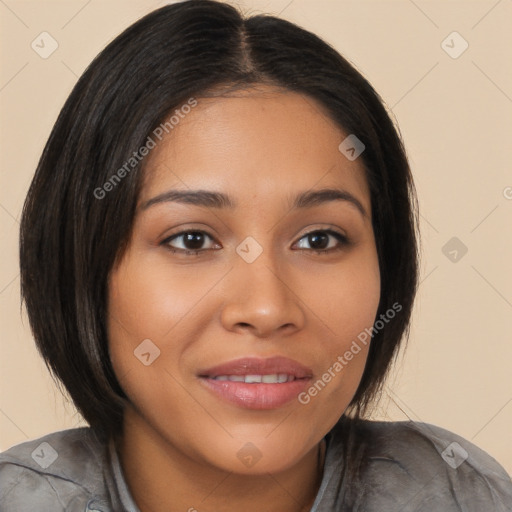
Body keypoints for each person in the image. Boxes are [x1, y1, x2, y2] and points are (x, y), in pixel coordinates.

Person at [1, 1, 510, 511]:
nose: (267, 309)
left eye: (319, 239)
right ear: (79, 268)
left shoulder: (459, 495)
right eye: (192, 240)